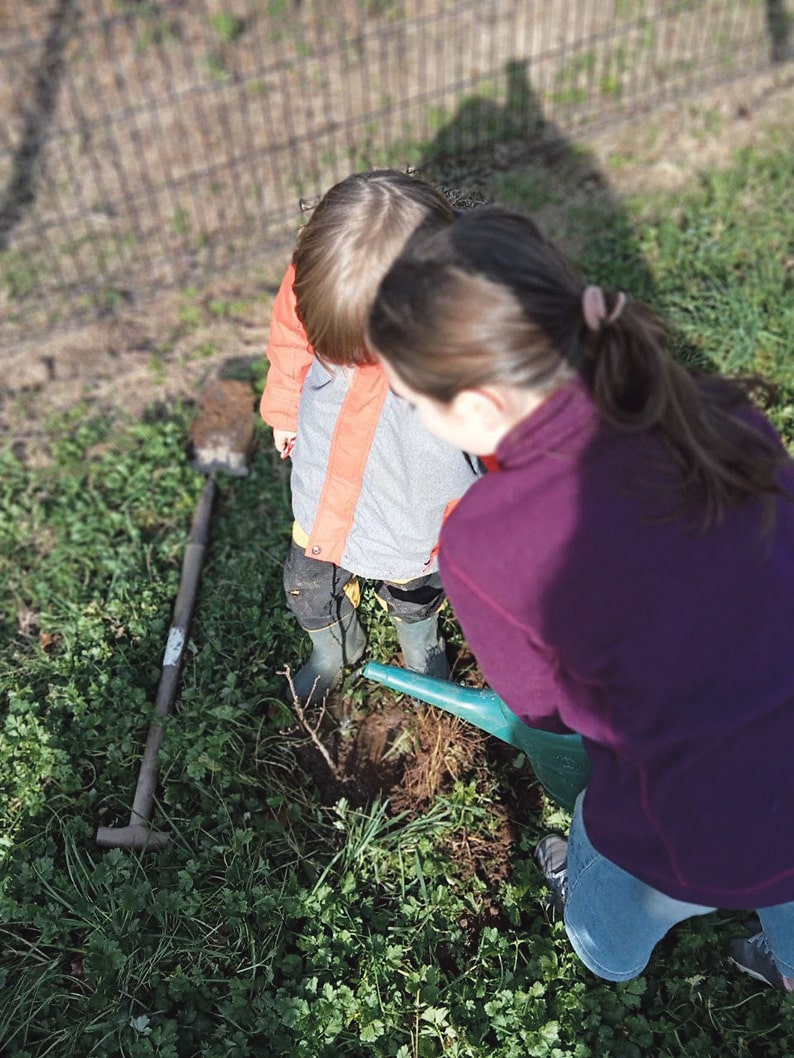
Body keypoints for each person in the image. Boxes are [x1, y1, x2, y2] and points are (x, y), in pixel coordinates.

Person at [366, 205, 794, 991]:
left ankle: (610, 948)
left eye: (412, 400)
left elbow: (539, 710)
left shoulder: (485, 542)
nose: (414, 416)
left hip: (688, 827)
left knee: (610, 876)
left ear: (479, 408)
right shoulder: (714, 412)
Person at [260, 170, 481, 701]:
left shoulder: (465, 325)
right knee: (312, 580)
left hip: (414, 494)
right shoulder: (322, 276)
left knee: (415, 582)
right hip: (328, 477)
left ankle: (420, 642)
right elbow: (292, 338)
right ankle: (335, 647)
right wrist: (287, 409)